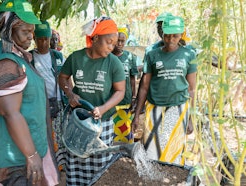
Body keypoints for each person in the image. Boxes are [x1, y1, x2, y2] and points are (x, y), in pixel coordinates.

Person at [0, 0, 59, 185]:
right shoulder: (5, 64)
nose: (31, 36)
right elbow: (10, 113)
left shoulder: (16, 55)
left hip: (21, 150)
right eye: (25, 31)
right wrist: (31, 155)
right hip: (16, 158)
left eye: (32, 31)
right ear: (8, 30)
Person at [58, 16, 126, 185]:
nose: (112, 47)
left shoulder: (114, 63)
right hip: (78, 122)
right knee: (75, 161)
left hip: (101, 124)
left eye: (114, 43)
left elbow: (120, 92)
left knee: (99, 164)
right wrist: (70, 94)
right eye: (108, 42)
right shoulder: (76, 58)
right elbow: (63, 78)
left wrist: (103, 108)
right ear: (95, 38)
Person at [131, 16, 197, 166]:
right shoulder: (152, 55)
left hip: (178, 109)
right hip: (154, 109)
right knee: (151, 150)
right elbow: (144, 87)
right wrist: (136, 115)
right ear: (162, 34)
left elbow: (192, 89)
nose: (171, 40)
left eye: (175, 35)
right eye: (167, 35)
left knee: (174, 150)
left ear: (181, 34)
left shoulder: (188, 55)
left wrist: (191, 119)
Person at [31, 20, 66, 170]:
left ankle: (58, 165)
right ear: (34, 39)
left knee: (58, 135)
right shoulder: (29, 57)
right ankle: (44, 165)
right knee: (41, 135)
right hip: (38, 105)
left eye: (47, 39)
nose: (44, 43)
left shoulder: (57, 56)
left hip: (57, 102)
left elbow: (65, 78)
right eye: (40, 39)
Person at [112, 27, 141, 144]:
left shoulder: (130, 57)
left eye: (122, 41)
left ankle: (124, 153)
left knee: (125, 129)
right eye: (117, 40)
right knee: (111, 130)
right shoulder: (108, 56)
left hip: (125, 100)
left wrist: (134, 97)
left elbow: (133, 79)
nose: (119, 44)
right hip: (111, 100)